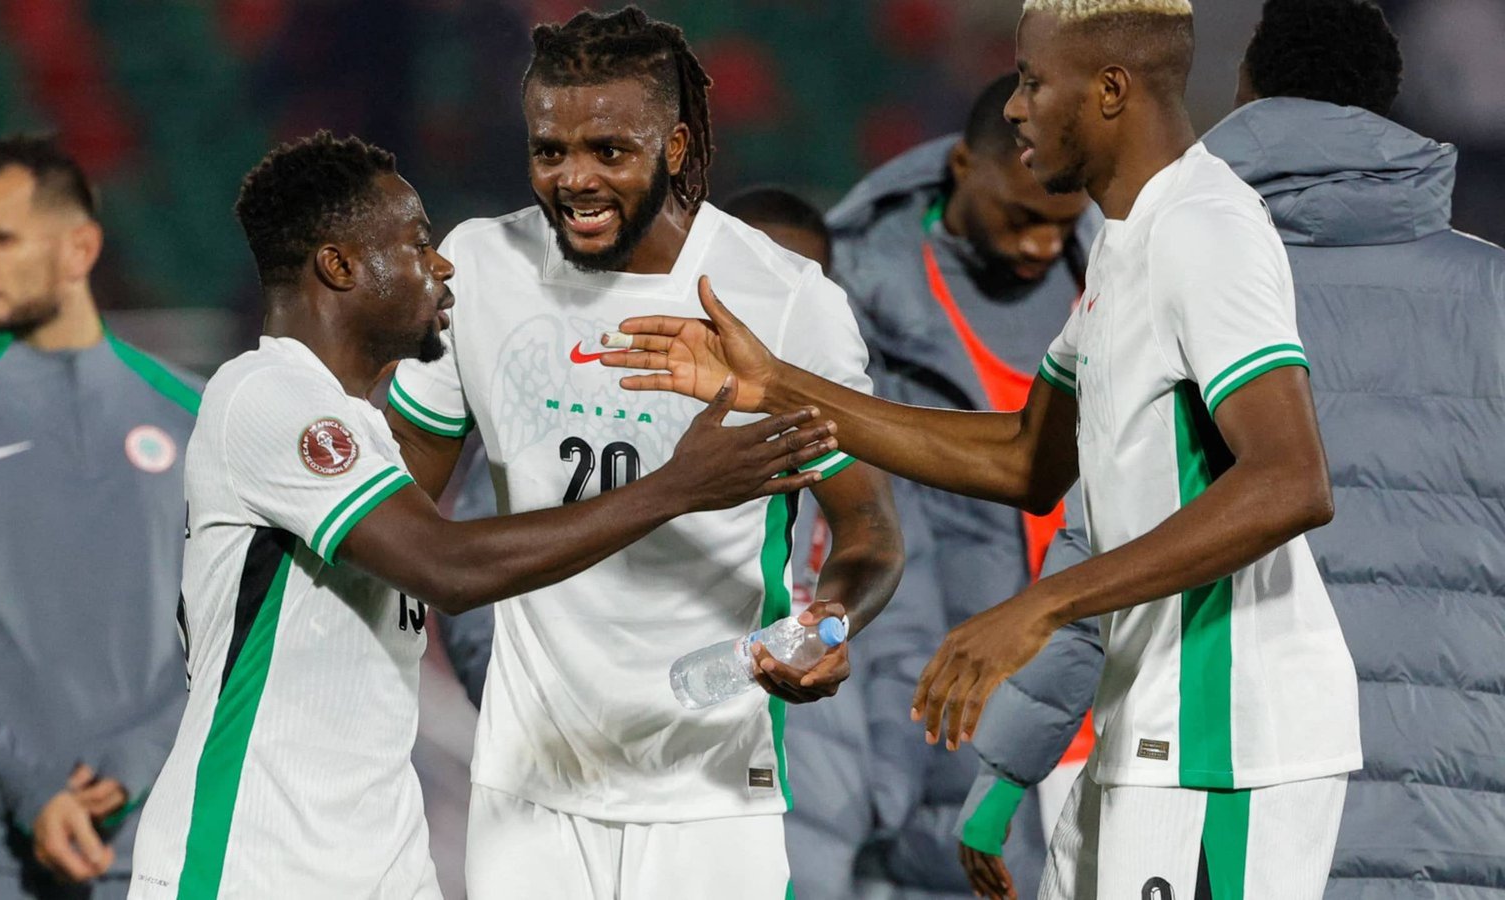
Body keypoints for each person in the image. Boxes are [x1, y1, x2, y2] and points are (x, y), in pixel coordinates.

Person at [605, 0, 1364, 896]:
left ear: (1110, 90)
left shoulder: (1204, 227)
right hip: (1149, 717)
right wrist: (782, 385)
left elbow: (1289, 480)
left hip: (1227, 733)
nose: (1013, 106)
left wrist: (1038, 606)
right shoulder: (1125, 245)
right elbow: (1022, 457)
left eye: (1036, 83)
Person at [125, 130, 834, 900]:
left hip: (378, 864)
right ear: (339, 266)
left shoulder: (364, 434)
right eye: (415, 243)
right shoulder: (266, 395)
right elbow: (450, 568)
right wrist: (674, 488)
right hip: (247, 864)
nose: (442, 265)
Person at [956, 1, 1505, 897]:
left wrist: (1008, 767)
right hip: (1461, 810)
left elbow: (1108, 542)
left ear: (1243, 91)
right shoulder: (1493, 298)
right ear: (1392, 110)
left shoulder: (1168, 255)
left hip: (1222, 783)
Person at [387, 9, 904, 898]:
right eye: (549, 151)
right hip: (529, 782)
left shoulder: (781, 299)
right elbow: (400, 514)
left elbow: (870, 533)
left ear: (672, 145)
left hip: (712, 786)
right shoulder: (477, 267)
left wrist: (830, 623)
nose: (574, 180)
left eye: (607, 151)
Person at [825, 73, 1098, 899]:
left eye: (1060, 224)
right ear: (959, 166)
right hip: (955, 722)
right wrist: (892, 767)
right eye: (1020, 217)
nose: (1039, 246)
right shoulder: (854, 304)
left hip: (1111, 716)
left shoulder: (1120, 287)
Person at [0, 135, 199, 899]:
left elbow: (236, 616)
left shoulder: (194, 412)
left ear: (80, 248)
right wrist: (31, 786)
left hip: (144, 833)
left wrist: (144, 751)